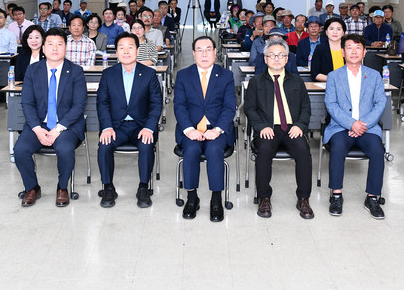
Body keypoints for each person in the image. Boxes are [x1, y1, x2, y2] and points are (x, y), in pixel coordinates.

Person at [14, 28, 88, 207]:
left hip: (66, 125)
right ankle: (32, 187)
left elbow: (78, 105)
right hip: (39, 124)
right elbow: (27, 103)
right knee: (20, 150)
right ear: (43, 48)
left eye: (59, 44)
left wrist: (59, 129)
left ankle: (62, 187)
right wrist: (37, 129)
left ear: (66, 48)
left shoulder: (75, 71)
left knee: (65, 149)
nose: (55, 48)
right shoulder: (33, 70)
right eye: (50, 44)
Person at [245, 38, 313, 219]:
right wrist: (261, 127)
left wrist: (300, 125)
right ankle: (264, 198)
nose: (276, 59)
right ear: (265, 59)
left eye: (280, 55)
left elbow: (306, 108)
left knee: (304, 151)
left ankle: (303, 199)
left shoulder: (297, 81)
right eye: (272, 55)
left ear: (287, 59)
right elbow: (250, 109)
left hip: (292, 128)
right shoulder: (256, 82)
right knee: (264, 151)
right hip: (267, 128)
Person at [96, 32, 163, 208]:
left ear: (137, 50)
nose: (126, 51)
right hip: (116, 126)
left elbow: (156, 104)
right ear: (116, 52)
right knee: (104, 145)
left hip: (141, 125)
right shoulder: (108, 74)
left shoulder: (148, 73)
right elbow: (102, 103)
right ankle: (108, 187)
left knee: (146, 145)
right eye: (122, 48)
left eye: (130, 47)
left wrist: (149, 127)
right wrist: (107, 127)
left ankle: (143, 187)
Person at [323, 34, 387, 219]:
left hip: (368, 127)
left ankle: (372, 197)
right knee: (338, 148)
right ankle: (336, 195)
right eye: (349, 48)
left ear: (364, 52)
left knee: (377, 151)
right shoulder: (334, 76)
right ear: (343, 52)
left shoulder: (374, 75)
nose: (353, 51)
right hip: (341, 127)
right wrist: (351, 124)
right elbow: (331, 104)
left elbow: (380, 103)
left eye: (358, 48)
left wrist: (362, 124)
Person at [174, 36, 235, 222]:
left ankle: (216, 199)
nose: (204, 54)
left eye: (208, 49)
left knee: (214, 150)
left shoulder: (226, 76)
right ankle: (192, 197)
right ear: (193, 54)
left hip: (217, 129)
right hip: (191, 128)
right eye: (199, 50)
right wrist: (188, 129)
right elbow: (179, 106)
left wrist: (217, 130)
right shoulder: (183, 75)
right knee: (191, 150)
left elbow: (229, 107)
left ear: (215, 52)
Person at [311, 18, 346, 82]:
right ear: (326, 32)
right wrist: (334, 80)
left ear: (343, 32)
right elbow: (315, 74)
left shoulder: (348, 48)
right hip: (326, 84)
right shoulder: (320, 48)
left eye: (338, 29)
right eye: (331, 29)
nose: (335, 32)